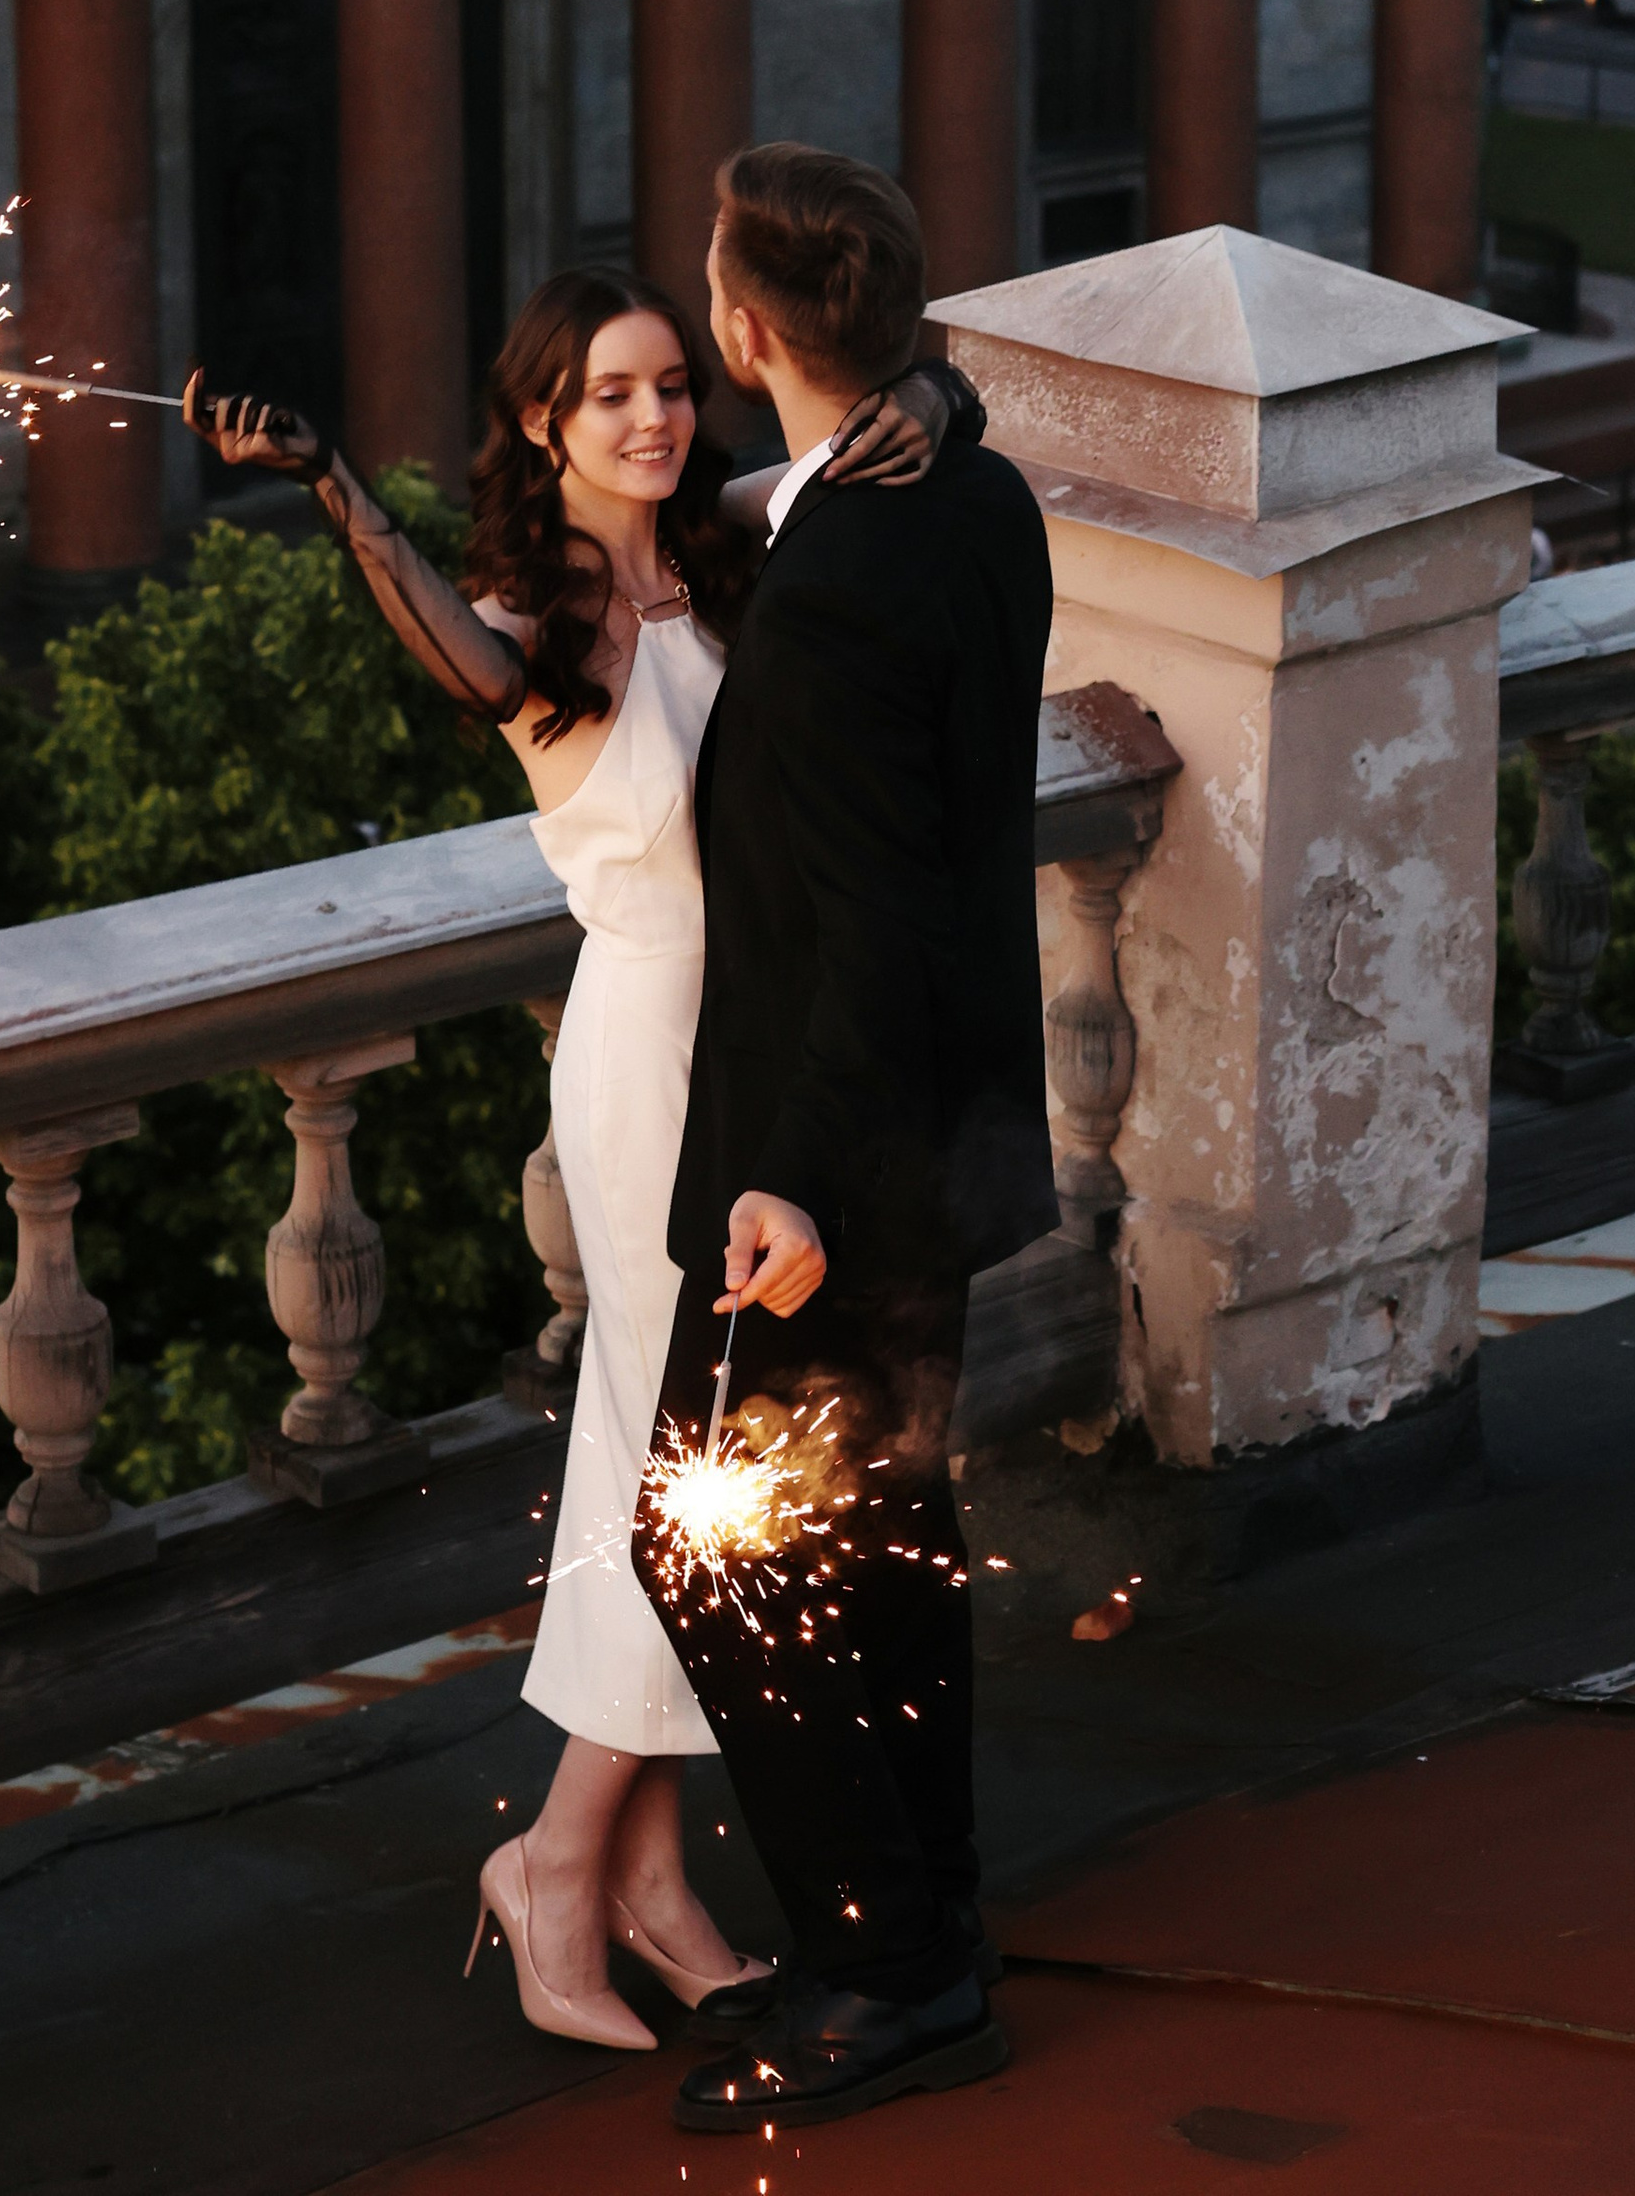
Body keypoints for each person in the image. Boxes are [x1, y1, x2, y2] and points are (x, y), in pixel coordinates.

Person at [185, 271, 977, 2052]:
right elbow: (462, 667)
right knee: (680, 1465)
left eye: (676, 384)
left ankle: (632, 1878)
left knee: (668, 1455)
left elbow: (901, 431)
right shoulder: (521, 623)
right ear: (542, 423)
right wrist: (331, 488)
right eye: (610, 393)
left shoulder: (745, 549)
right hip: (650, 1066)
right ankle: (563, 1862)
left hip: (772, 1059)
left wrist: (943, 399)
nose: (655, 417)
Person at [632, 141, 1055, 2137]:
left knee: (704, 1544)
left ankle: (888, 1974)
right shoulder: (965, 489)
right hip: (946, 1141)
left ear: (735, 332)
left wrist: (782, 1174)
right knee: (872, 1542)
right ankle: (926, 1919)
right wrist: (935, 392)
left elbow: (873, 916)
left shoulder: (830, 601)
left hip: (842, 1164)